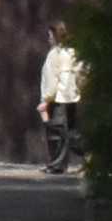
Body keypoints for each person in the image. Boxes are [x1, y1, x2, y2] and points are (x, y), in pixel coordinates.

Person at [39, 20, 87, 176]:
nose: (48, 39)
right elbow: (81, 73)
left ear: (55, 36)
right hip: (72, 97)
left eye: (50, 35)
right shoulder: (74, 52)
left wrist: (46, 99)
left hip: (58, 98)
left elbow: (51, 79)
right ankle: (89, 156)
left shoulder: (54, 54)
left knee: (58, 132)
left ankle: (57, 165)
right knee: (71, 132)